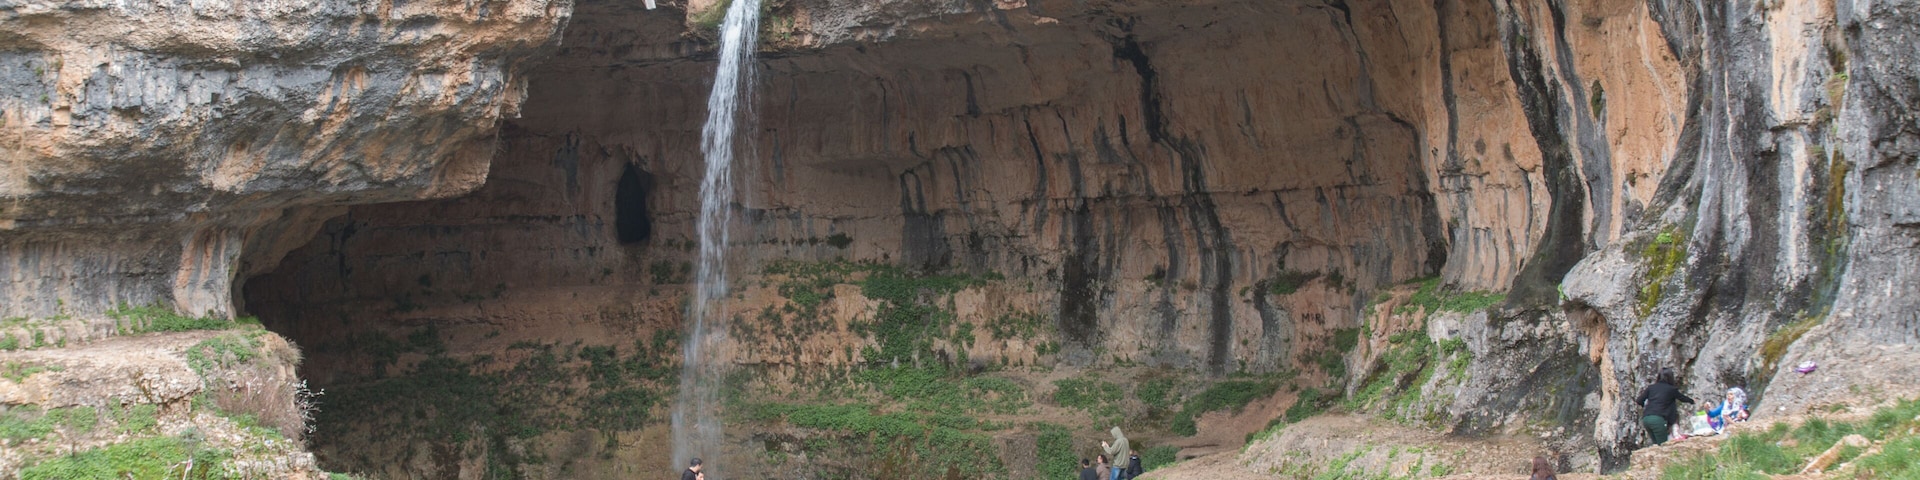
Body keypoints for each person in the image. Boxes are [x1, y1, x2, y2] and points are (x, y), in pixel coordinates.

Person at [1635, 368, 1695, 445]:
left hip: (1646, 419)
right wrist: (1692, 401)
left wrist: (1647, 407)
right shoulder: (1671, 389)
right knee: (1663, 445)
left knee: (1656, 444)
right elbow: (1682, 398)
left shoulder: (1651, 388)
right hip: (1658, 419)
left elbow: (1639, 400)